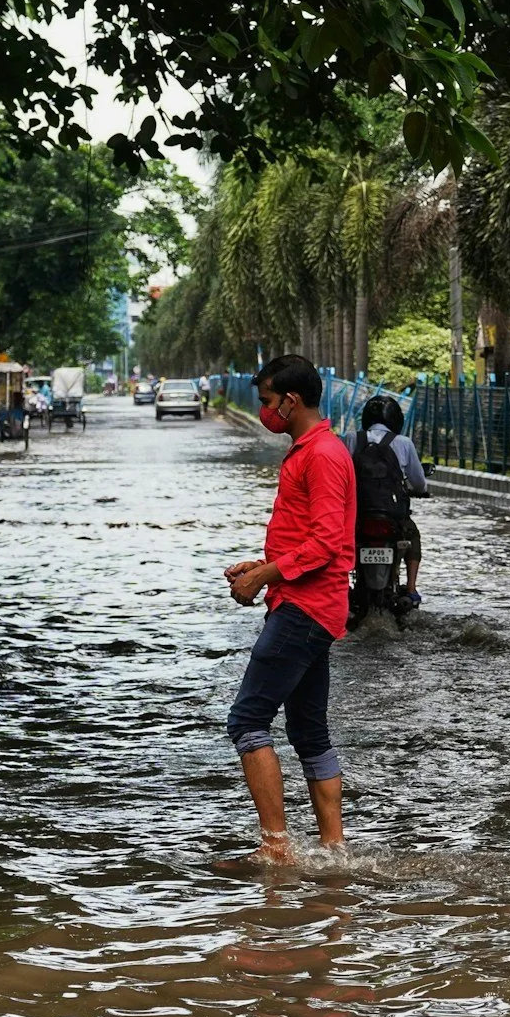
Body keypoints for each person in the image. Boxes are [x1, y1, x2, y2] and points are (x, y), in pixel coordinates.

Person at [220, 353, 358, 865]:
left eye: (266, 401)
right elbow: (313, 538)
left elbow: (325, 545)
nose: (264, 411)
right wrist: (261, 565)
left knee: (247, 721)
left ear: (291, 401)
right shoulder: (312, 450)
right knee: (308, 731)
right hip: (310, 604)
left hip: (304, 607)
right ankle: (333, 852)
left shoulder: (321, 455)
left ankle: (276, 849)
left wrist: (265, 575)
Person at [362, 394, 427, 603]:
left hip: (358, 515)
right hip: (392, 515)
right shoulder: (404, 443)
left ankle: (338, 585)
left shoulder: (351, 439)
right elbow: (419, 483)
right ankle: (410, 588)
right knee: (412, 537)